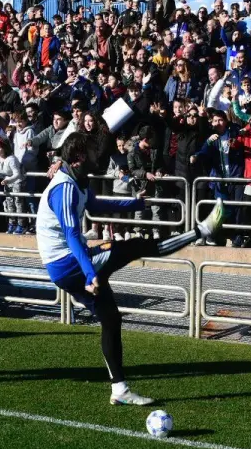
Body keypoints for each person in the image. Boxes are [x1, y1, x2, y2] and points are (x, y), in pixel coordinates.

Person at [36, 132, 226, 406]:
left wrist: (134, 202)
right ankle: (202, 231)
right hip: (68, 264)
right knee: (135, 246)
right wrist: (89, 274)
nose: (99, 155)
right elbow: (72, 235)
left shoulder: (78, 180)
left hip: (72, 263)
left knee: (111, 319)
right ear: (78, 158)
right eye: (93, 152)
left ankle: (120, 389)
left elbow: (97, 205)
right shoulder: (64, 188)